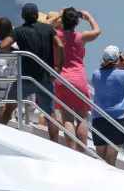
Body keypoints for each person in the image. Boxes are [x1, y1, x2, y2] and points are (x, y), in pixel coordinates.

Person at [0, 3, 64, 142]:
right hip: (45, 79)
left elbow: (3, 46)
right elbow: (60, 45)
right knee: (50, 114)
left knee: (9, 107)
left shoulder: (19, 31)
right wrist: (58, 70)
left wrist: (15, 52)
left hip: (25, 78)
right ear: (36, 15)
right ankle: (55, 144)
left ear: (23, 16)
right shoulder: (48, 29)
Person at [43, 8, 101, 152]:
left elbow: (44, 27)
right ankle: (83, 151)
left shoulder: (56, 35)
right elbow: (97, 31)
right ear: (76, 22)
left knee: (67, 118)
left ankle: (72, 149)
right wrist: (89, 17)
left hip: (61, 78)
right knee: (82, 118)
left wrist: (59, 15)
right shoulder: (80, 37)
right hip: (79, 80)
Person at [91, 46, 124, 165]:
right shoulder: (123, 75)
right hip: (116, 119)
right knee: (111, 158)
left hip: (98, 117)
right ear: (117, 60)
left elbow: (108, 77)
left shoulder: (96, 74)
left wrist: (120, 67)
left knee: (100, 159)